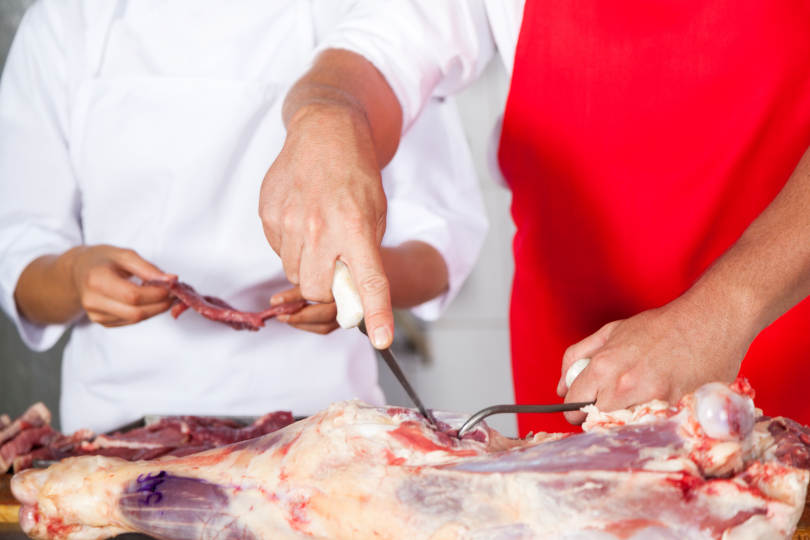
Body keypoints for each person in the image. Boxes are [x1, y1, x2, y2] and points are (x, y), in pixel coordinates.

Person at [257, 0, 810, 435]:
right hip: (572, 369)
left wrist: (716, 315)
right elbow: (377, 50)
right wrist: (328, 116)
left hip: (781, 334)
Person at [0, 0, 487, 434]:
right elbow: (21, 258)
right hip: (116, 438)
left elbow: (439, 239)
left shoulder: (364, 23)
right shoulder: (65, 24)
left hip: (323, 431)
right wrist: (74, 278)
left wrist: (354, 282)